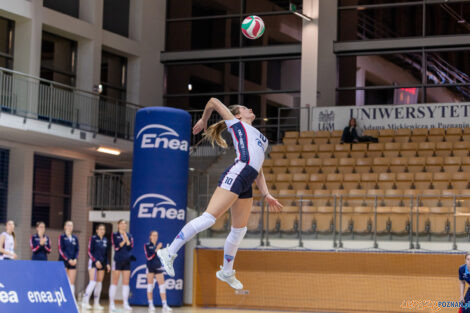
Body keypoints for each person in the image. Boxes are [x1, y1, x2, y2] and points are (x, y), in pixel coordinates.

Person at [157, 97, 282, 290]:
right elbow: (213, 101)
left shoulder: (261, 138)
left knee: (240, 230)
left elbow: (259, 169)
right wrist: (204, 120)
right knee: (208, 219)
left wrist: (266, 194)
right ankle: (169, 251)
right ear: (238, 115)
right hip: (237, 173)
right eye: (244, 107)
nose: (250, 108)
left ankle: (226, 271)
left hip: (248, 178)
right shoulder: (236, 124)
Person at [82, 224, 110, 311]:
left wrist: (107, 264)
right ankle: (85, 301)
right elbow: (89, 251)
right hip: (93, 263)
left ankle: (96, 302)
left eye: (103, 229)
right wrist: (95, 260)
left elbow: (106, 254)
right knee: (93, 282)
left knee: (99, 283)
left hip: (102, 264)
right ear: (97, 230)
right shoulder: (93, 238)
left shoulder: (105, 240)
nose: (102, 231)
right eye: (100, 229)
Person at [110, 220, 134, 312]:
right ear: (118, 225)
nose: (124, 225)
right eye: (122, 224)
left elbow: (130, 247)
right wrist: (124, 240)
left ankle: (125, 302)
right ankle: (112, 302)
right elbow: (116, 247)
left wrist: (126, 238)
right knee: (115, 281)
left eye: (125, 224)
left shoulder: (129, 235)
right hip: (118, 260)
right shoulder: (114, 235)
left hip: (127, 261)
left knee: (126, 282)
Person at [145, 231, 172, 313]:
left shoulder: (160, 246)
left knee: (162, 286)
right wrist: (157, 249)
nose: (155, 237)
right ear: (150, 236)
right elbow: (149, 257)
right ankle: (150, 304)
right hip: (150, 267)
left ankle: (164, 305)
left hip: (158, 266)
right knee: (150, 286)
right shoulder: (147, 245)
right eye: (153, 235)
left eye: (156, 235)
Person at [58, 221, 79, 296]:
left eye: (71, 225)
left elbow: (77, 250)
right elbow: (61, 249)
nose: (70, 227)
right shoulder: (62, 237)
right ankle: (61, 297)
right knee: (63, 281)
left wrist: (75, 259)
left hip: (73, 262)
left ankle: (72, 300)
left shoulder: (75, 238)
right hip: (64, 261)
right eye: (68, 225)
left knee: (71, 282)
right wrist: (68, 259)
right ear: (65, 227)